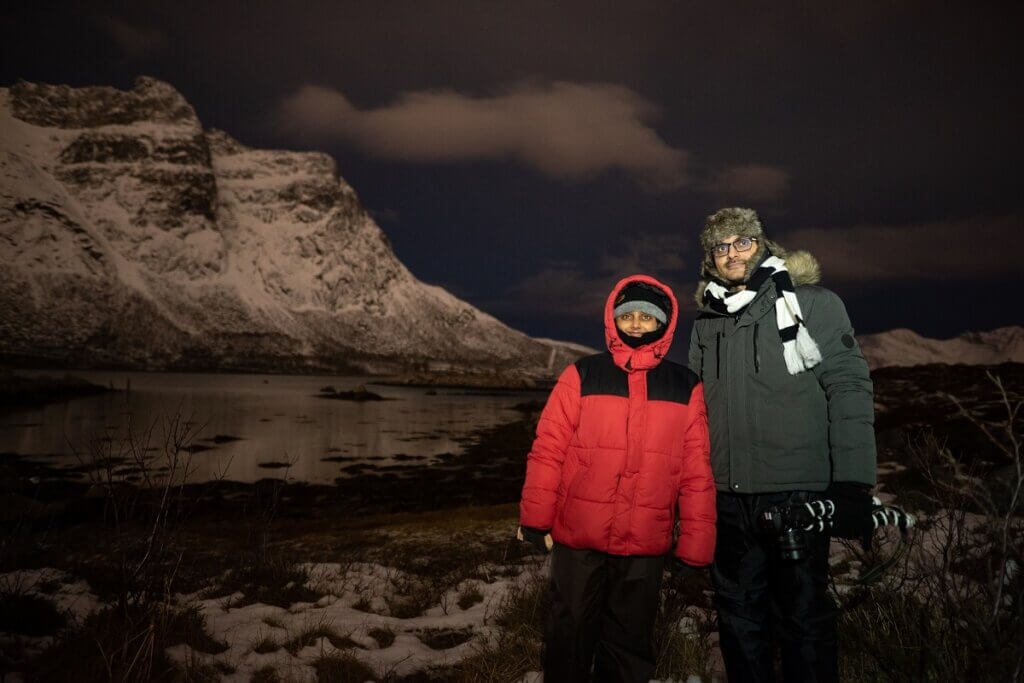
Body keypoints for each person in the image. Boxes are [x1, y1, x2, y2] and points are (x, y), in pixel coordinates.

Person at [688, 207, 877, 682]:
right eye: (720, 246)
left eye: (741, 242)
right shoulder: (706, 320)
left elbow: (850, 388)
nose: (731, 253)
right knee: (737, 619)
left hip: (798, 493)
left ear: (762, 244)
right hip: (727, 498)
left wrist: (854, 483)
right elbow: (695, 413)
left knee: (804, 619)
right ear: (710, 258)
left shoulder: (812, 303)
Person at [518, 274, 716, 683]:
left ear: (665, 323)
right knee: (568, 634)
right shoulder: (582, 375)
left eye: (648, 316)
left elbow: (697, 472)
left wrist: (695, 548)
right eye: (629, 316)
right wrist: (536, 520)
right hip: (578, 539)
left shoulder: (686, 386)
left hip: (644, 542)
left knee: (628, 644)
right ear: (613, 319)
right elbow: (548, 450)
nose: (638, 324)